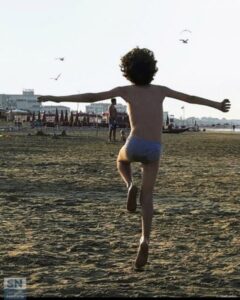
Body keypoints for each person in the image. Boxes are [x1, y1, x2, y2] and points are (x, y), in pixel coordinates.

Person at [38, 47, 231, 269]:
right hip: (154, 148)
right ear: (152, 69)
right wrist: (217, 105)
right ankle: (144, 240)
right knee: (147, 198)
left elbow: (90, 96)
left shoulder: (126, 91)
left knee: (121, 160)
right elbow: (191, 98)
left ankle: (129, 184)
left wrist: (54, 97)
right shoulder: (161, 90)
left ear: (127, 71)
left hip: (134, 143)